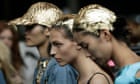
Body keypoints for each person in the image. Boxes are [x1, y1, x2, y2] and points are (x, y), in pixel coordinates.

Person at [9, 2, 77, 84]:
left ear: (47, 30)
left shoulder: (60, 67)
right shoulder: (42, 62)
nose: (26, 32)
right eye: (26, 27)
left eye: (31, 26)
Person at [72, 4, 140, 84]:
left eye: (86, 46)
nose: (87, 54)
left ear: (105, 35)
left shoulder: (126, 79)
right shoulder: (134, 66)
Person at [50, 13, 113, 84]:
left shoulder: (97, 80)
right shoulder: (83, 77)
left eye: (58, 44)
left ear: (77, 42)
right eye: (51, 45)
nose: (52, 52)